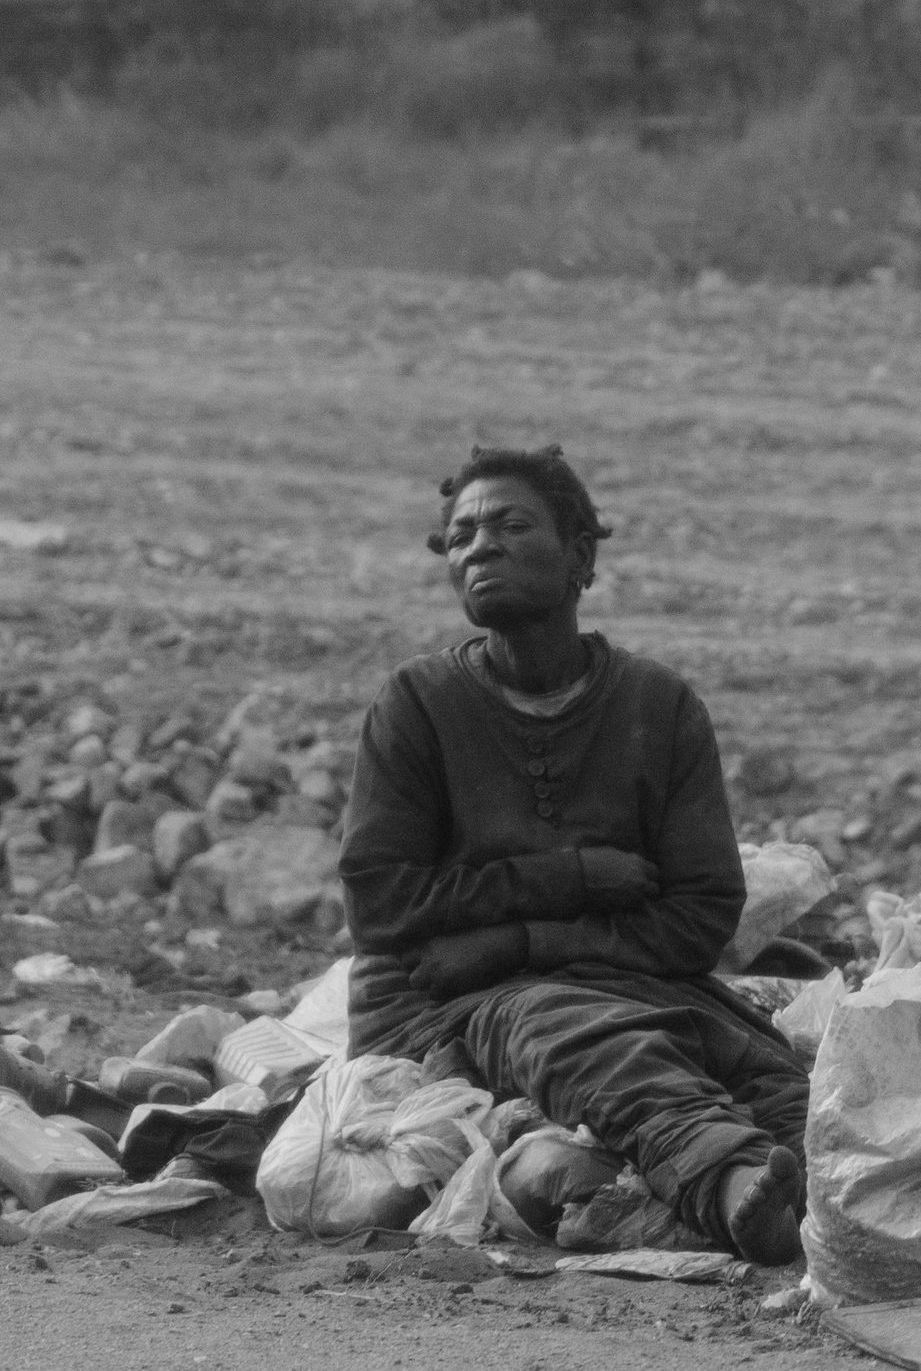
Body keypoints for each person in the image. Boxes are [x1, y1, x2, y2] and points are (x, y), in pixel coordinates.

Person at [337, 442, 808, 1265]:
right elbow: (380, 904)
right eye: (460, 536)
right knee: (571, 1029)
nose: (479, 546)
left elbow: (700, 918)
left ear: (579, 556)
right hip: (436, 1010)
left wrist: (522, 940)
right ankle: (727, 1184)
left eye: (511, 525)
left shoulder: (657, 707)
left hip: (616, 983)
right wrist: (575, 878)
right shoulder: (418, 703)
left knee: (771, 1075)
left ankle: (818, 1189)